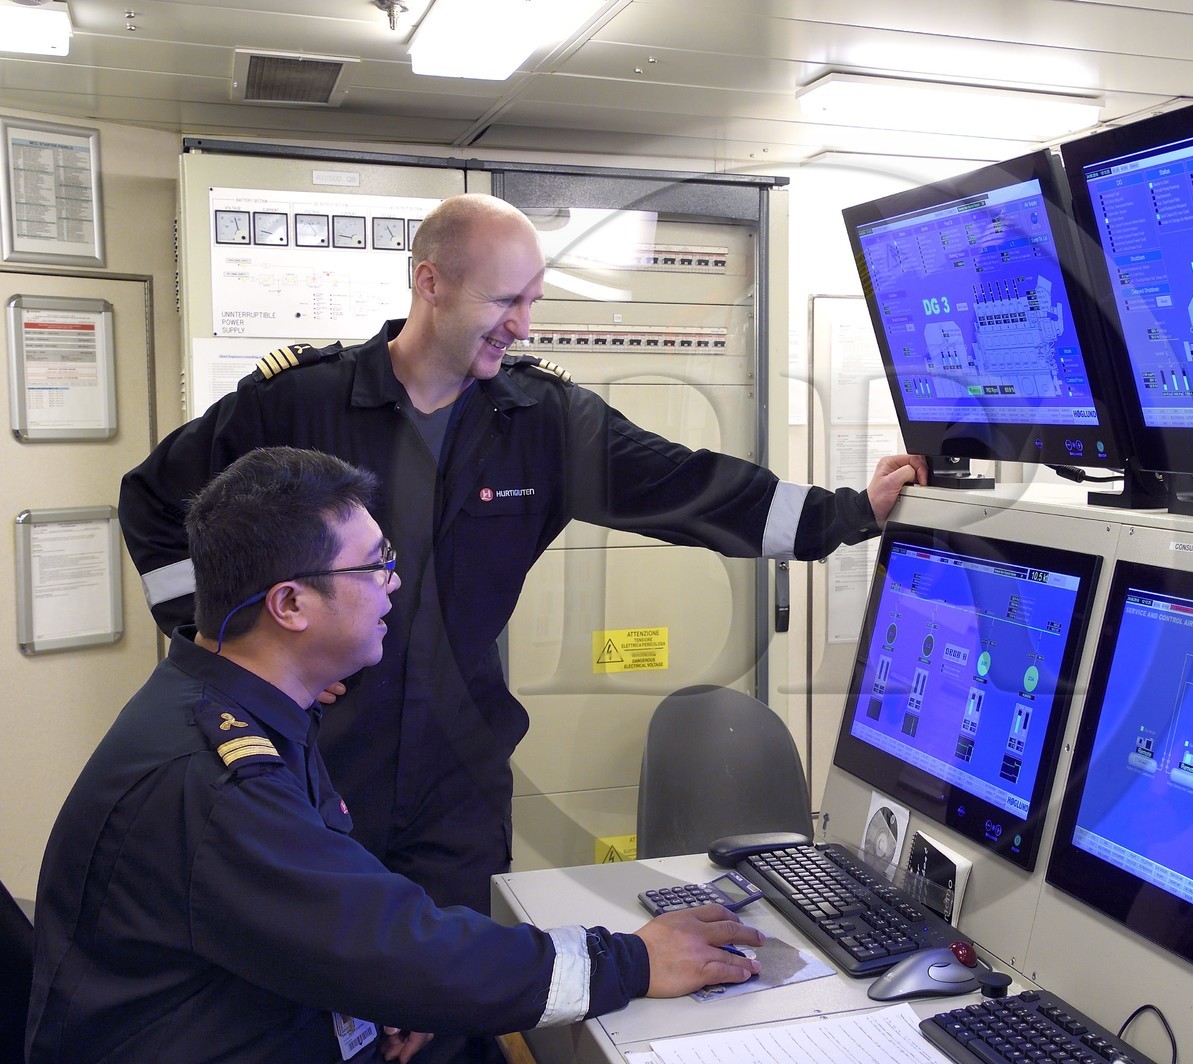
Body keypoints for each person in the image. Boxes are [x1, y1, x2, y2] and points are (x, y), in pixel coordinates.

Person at [120, 192, 927, 917]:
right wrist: (222, 647)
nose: (524, 324)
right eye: (505, 299)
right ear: (430, 284)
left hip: (456, 779)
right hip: (312, 764)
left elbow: (686, 488)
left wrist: (846, 514)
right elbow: (155, 501)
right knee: (319, 999)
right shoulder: (300, 402)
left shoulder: (540, 420)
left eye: (533, 300)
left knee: (451, 1008)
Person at [27, 447, 763, 1064]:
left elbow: (337, 926)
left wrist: (375, 996)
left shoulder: (239, 704)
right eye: (374, 566)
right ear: (290, 605)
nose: (394, 584)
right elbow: (388, 942)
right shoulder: (218, 780)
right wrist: (630, 962)